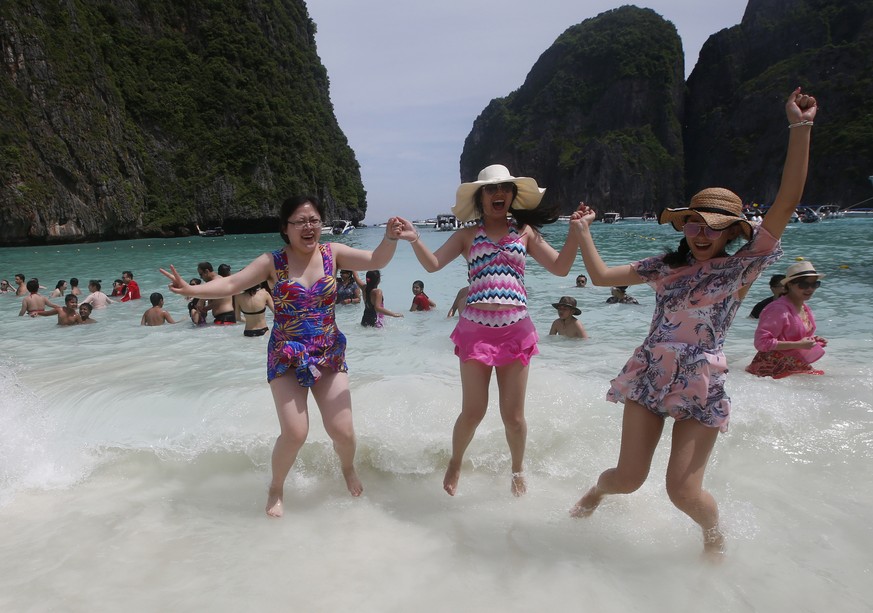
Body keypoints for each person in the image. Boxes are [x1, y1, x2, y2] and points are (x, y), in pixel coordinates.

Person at [567, 88, 817, 559]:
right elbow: (600, 277)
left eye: (714, 226)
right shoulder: (662, 266)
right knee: (627, 479)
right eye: (694, 224)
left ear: (732, 232)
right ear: (683, 225)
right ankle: (596, 494)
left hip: (701, 379)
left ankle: (712, 534)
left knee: (682, 492)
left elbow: (788, 199)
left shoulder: (742, 268)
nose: (702, 234)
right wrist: (581, 233)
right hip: (649, 372)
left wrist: (800, 128)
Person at [160, 194, 409, 517]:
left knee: (343, 432)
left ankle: (347, 468)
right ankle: (277, 486)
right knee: (295, 433)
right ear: (286, 228)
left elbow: (377, 259)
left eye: (314, 220)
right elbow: (233, 283)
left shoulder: (333, 253)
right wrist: (191, 290)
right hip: (287, 356)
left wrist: (389, 238)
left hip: (328, 351)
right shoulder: (272, 262)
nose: (309, 227)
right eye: (301, 221)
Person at [396, 163, 582, 497]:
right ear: (480, 198)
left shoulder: (525, 232)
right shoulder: (468, 235)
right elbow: (433, 265)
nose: (499, 194)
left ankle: (517, 470)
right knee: (473, 412)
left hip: (516, 332)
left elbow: (560, 267)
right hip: (475, 333)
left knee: (513, 417)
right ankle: (456, 461)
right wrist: (414, 239)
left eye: (505, 189)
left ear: (513, 195)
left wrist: (577, 234)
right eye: (491, 190)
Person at [746, 261, 827, 378]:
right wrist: (799, 344)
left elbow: (791, 336)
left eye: (814, 284)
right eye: (803, 285)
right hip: (771, 370)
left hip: (794, 364)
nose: (810, 289)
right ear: (789, 285)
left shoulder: (804, 307)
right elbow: (761, 343)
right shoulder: (778, 309)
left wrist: (812, 340)